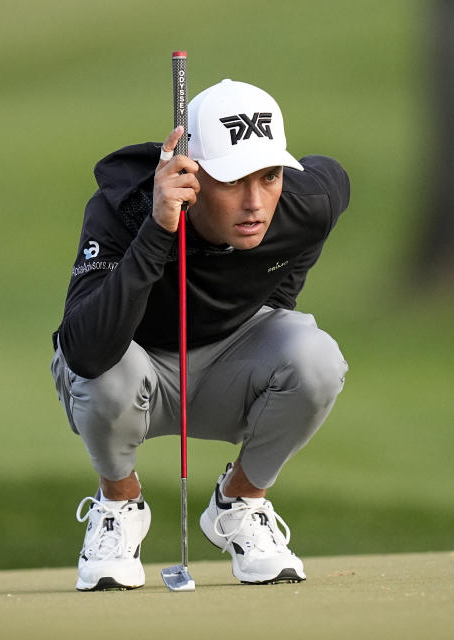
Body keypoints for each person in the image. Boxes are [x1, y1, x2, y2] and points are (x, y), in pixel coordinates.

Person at [50, 79, 350, 591]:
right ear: (192, 174)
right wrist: (158, 230)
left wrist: (272, 298)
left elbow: (314, 219)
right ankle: (119, 505)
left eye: (270, 176)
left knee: (315, 357)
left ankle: (239, 502)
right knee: (104, 374)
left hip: (227, 368)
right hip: (130, 371)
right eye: (233, 182)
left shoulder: (308, 201)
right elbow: (85, 349)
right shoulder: (122, 210)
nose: (256, 203)